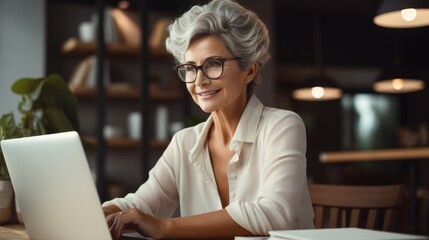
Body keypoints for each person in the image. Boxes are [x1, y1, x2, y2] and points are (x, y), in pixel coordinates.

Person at [102, 0, 314, 239]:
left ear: (250, 71)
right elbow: (141, 204)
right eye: (190, 68)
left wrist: (165, 227)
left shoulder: (282, 126)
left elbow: (273, 215)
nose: (199, 80)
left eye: (213, 64)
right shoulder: (184, 142)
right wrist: (100, 213)